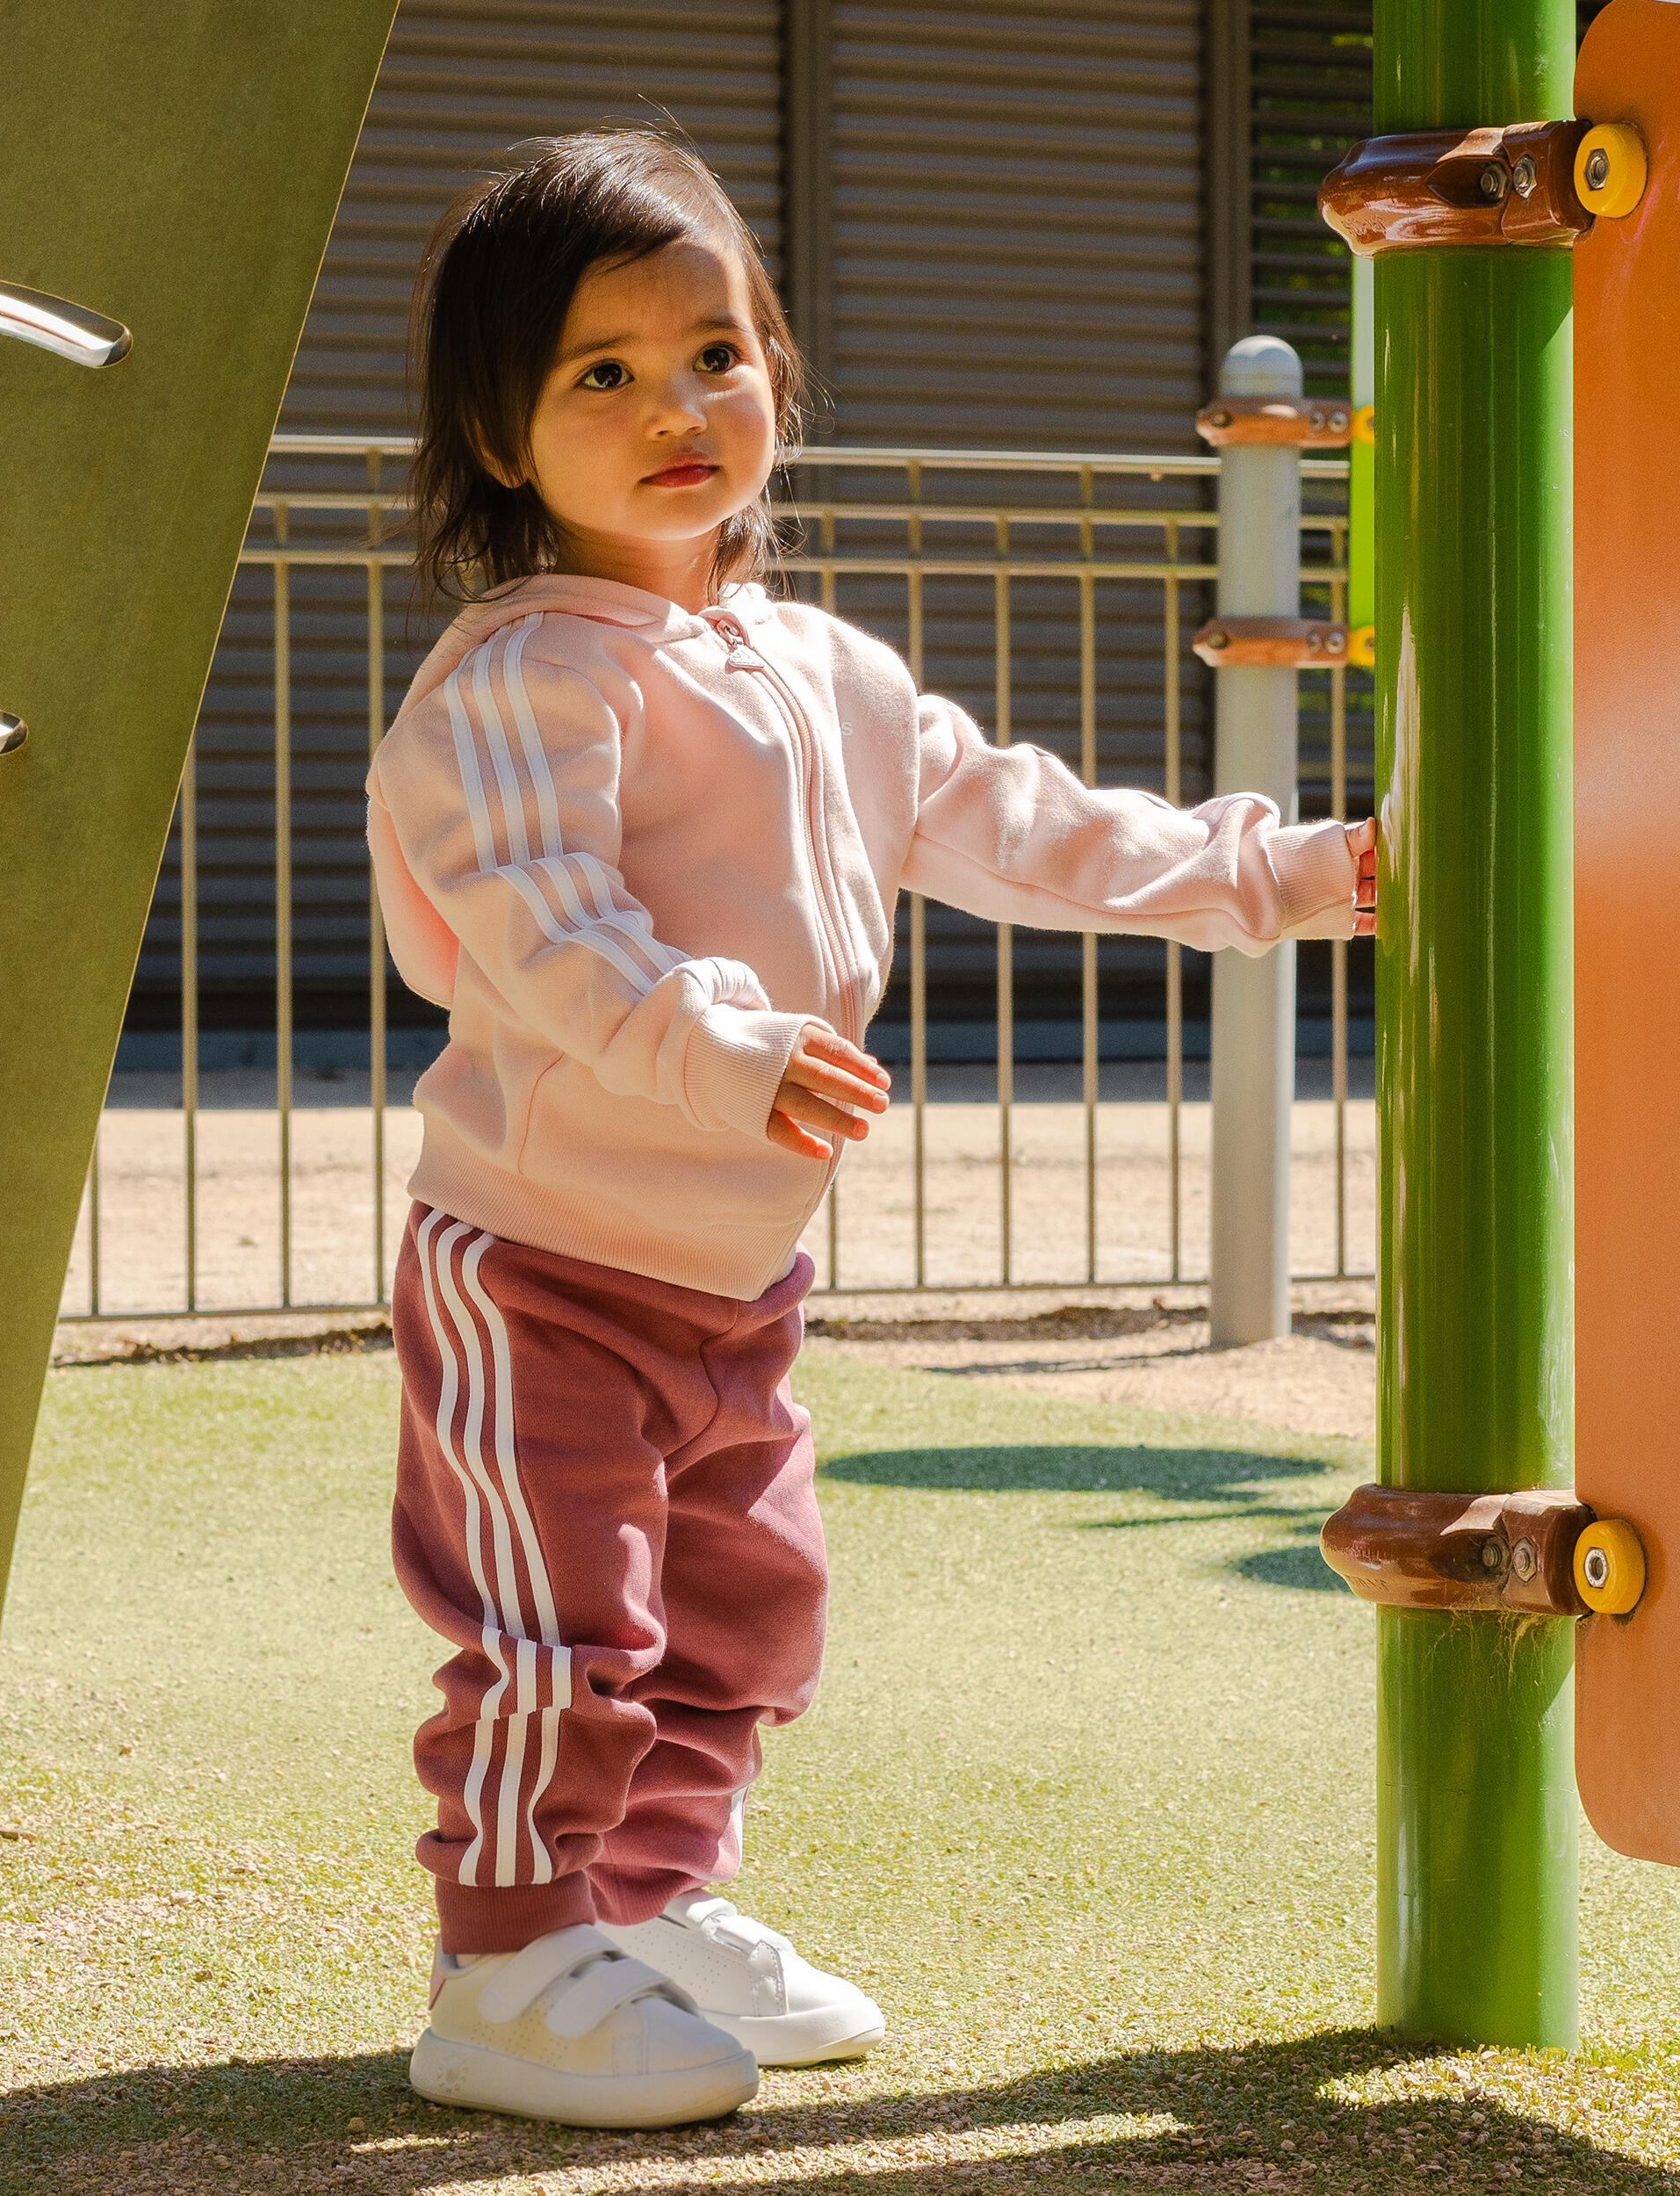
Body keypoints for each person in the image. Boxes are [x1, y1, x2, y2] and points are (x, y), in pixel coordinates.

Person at [366, 130, 1375, 2132]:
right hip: (543, 1259)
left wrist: (1282, 872)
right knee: (556, 1618)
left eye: (714, 354)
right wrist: (722, 1043)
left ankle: (641, 1905)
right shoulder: (521, 681)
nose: (676, 408)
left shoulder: (825, 666)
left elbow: (1028, 820)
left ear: (778, 373)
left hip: (734, 1272)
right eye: (600, 374)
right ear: (494, 430)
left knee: (742, 1607)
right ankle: (500, 1960)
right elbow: (542, 928)